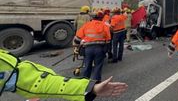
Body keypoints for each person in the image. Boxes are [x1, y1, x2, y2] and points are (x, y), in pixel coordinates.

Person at [0, 49, 128, 101]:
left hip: (87, 47)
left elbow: (33, 81)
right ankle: (95, 78)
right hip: (99, 47)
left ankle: (89, 78)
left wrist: (89, 88)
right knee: (98, 65)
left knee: (87, 65)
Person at [73, 11, 111, 81]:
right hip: (100, 49)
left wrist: (79, 45)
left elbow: (77, 39)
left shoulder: (87, 25)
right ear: (102, 18)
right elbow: (108, 39)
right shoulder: (105, 26)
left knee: (87, 66)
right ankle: (96, 83)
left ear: (92, 17)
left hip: (88, 49)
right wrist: (106, 48)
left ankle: (84, 82)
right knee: (98, 67)